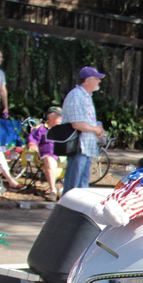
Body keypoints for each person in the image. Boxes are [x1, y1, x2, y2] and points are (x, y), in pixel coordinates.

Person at [61, 66, 105, 195]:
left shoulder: (87, 96)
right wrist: (95, 129)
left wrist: (98, 128)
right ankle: (66, 211)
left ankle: (79, 212)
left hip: (87, 147)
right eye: (97, 79)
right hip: (78, 146)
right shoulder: (76, 96)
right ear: (87, 80)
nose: (99, 82)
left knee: (83, 185)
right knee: (72, 185)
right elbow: (77, 124)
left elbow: (87, 120)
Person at [27, 106, 64, 200]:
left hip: (64, 157)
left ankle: (63, 190)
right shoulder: (40, 129)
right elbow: (32, 141)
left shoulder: (64, 129)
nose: (61, 118)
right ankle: (53, 191)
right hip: (49, 156)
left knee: (78, 161)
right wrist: (32, 144)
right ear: (51, 116)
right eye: (59, 116)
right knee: (49, 160)